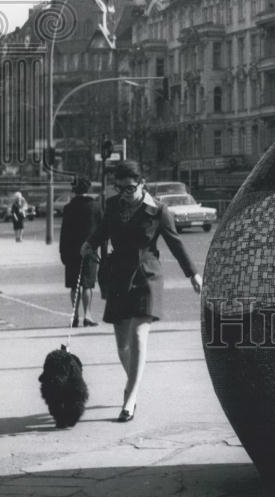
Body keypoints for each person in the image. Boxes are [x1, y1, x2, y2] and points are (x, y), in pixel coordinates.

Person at [81, 160, 202, 422]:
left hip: (147, 276)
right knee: (122, 346)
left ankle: (130, 398)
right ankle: (133, 382)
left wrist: (193, 274)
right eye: (119, 188)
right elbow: (103, 230)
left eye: (130, 188)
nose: (124, 193)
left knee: (137, 335)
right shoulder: (113, 205)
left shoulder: (158, 210)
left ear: (142, 184)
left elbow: (175, 243)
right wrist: (89, 243)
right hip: (118, 276)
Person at [60, 176, 102, 328]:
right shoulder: (96, 207)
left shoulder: (68, 208)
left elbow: (63, 233)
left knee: (74, 285)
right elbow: (102, 231)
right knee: (88, 285)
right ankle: (88, 315)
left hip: (71, 251)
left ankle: (75, 316)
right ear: (88, 189)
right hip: (90, 250)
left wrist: (62, 253)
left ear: (73, 190)